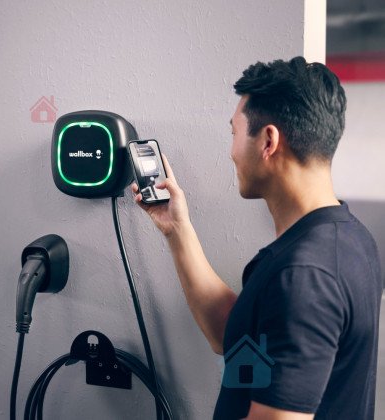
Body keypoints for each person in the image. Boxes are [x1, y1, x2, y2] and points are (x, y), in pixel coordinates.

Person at [131, 56, 383, 420]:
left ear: (268, 141)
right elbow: (233, 337)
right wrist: (177, 228)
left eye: (234, 133)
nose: (231, 151)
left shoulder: (303, 275)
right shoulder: (351, 239)